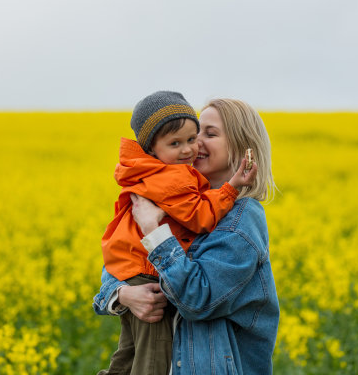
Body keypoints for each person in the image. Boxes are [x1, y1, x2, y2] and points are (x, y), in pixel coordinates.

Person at [94, 98, 280, 375]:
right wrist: (123, 294)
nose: (194, 143)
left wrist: (155, 233)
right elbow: (123, 259)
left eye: (210, 134)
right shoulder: (180, 202)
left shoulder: (241, 218)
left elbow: (198, 300)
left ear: (243, 148)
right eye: (194, 133)